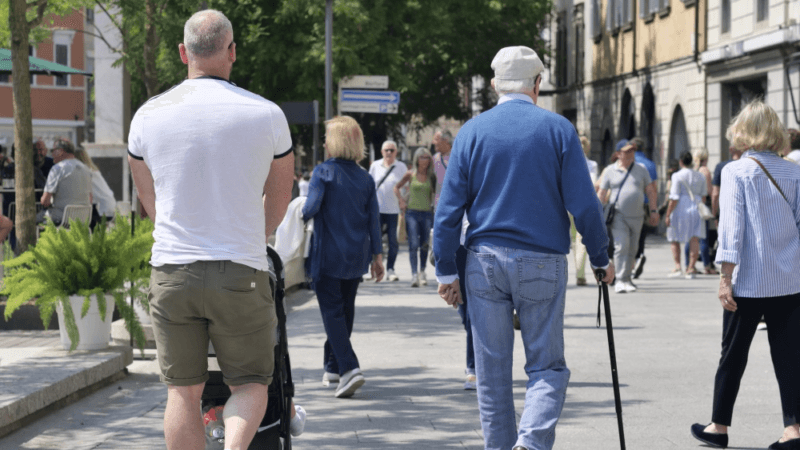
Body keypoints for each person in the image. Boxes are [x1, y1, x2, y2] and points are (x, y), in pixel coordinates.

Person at [127, 10, 302, 450]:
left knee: (181, 391)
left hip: (172, 269)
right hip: (240, 270)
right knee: (249, 384)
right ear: (232, 52)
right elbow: (281, 197)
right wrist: (250, 235)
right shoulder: (266, 114)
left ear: (184, 52)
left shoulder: (148, 116)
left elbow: (150, 203)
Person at [434, 46, 614, 450]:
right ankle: (530, 444)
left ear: (494, 84)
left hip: (483, 262)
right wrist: (600, 258)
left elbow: (447, 211)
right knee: (547, 367)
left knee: (492, 374)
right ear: (538, 84)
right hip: (543, 259)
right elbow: (584, 205)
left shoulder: (472, 132)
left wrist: (446, 271)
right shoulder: (558, 129)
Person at [690, 100, 800, 450]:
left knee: (733, 355)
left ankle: (719, 426)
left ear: (744, 130)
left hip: (748, 282)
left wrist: (725, 277)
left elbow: (732, 229)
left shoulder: (736, 171)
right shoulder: (794, 171)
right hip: (789, 279)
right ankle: (793, 430)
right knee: (790, 356)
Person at [302, 115, 384, 398]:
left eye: (327, 137)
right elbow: (374, 221)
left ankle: (350, 368)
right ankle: (333, 366)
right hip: (356, 256)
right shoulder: (365, 178)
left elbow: (309, 209)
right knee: (345, 312)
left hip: (327, 256)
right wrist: (378, 256)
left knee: (332, 314)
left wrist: (299, 209)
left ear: (335, 142)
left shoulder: (323, 173)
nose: (324, 142)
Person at [598, 142, 659, 293]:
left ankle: (627, 279)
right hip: (618, 215)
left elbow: (650, 190)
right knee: (621, 246)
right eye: (627, 151)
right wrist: (596, 213)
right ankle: (619, 280)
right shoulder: (610, 171)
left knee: (633, 248)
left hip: (637, 216)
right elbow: (602, 193)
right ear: (618, 153)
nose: (630, 154)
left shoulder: (641, 169)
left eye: (632, 151)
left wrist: (654, 210)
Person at [393, 147, 435, 287]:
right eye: (422, 157)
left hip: (427, 213)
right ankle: (414, 275)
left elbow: (436, 194)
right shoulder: (410, 174)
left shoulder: (431, 176)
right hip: (412, 213)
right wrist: (401, 200)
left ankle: (423, 272)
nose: (425, 160)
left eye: (427, 157)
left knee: (424, 244)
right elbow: (396, 187)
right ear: (417, 159)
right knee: (413, 244)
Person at [368, 140, 407, 282]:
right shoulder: (375, 165)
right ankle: (373, 267)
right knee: (374, 240)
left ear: (396, 152)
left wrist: (404, 202)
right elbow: (369, 187)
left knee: (393, 241)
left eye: (392, 150)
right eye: (386, 150)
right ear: (382, 152)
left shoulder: (401, 166)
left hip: (394, 210)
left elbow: (407, 187)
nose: (389, 153)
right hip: (377, 209)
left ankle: (390, 269)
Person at [665, 151, 707, 278]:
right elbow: (704, 196)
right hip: (696, 207)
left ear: (681, 162)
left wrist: (667, 214)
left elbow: (674, 197)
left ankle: (678, 266)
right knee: (695, 238)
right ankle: (691, 267)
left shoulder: (677, 176)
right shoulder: (700, 176)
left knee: (674, 237)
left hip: (680, 208)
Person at [37, 139, 92, 225]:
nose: (51, 154)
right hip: (83, 219)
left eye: (53, 150)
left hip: (61, 217)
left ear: (60, 151)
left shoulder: (58, 168)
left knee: (30, 219)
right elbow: (90, 198)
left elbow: (45, 201)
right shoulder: (86, 168)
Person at [684, 147, 717, 274]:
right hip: (703, 204)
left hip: (691, 204)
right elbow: (709, 190)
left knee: (691, 236)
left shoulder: (692, 170)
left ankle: (688, 265)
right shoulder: (705, 171)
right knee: (703, 237)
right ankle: (707, 265)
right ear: (706, 158)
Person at [631, 136, 657, 279]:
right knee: (641, 235)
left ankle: (630, 262)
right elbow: (654, 188)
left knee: (627, 234)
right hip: (645, 205)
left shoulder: (629, 162)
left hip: (628, 204)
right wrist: (654, 209)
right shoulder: (650, 164)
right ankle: (638, 256)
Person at [573, 135, 598, 286]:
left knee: (577, 241)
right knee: (577, 240)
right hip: (579, 204)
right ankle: (579, 274)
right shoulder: (592, 165)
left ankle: (580, 274)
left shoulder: (565, 162)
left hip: (576, 205)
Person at [74, 147, 117, 227]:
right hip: (109, 206)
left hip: (102, 210)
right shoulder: (93, 170)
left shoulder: (83, 171)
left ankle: (90, 236)